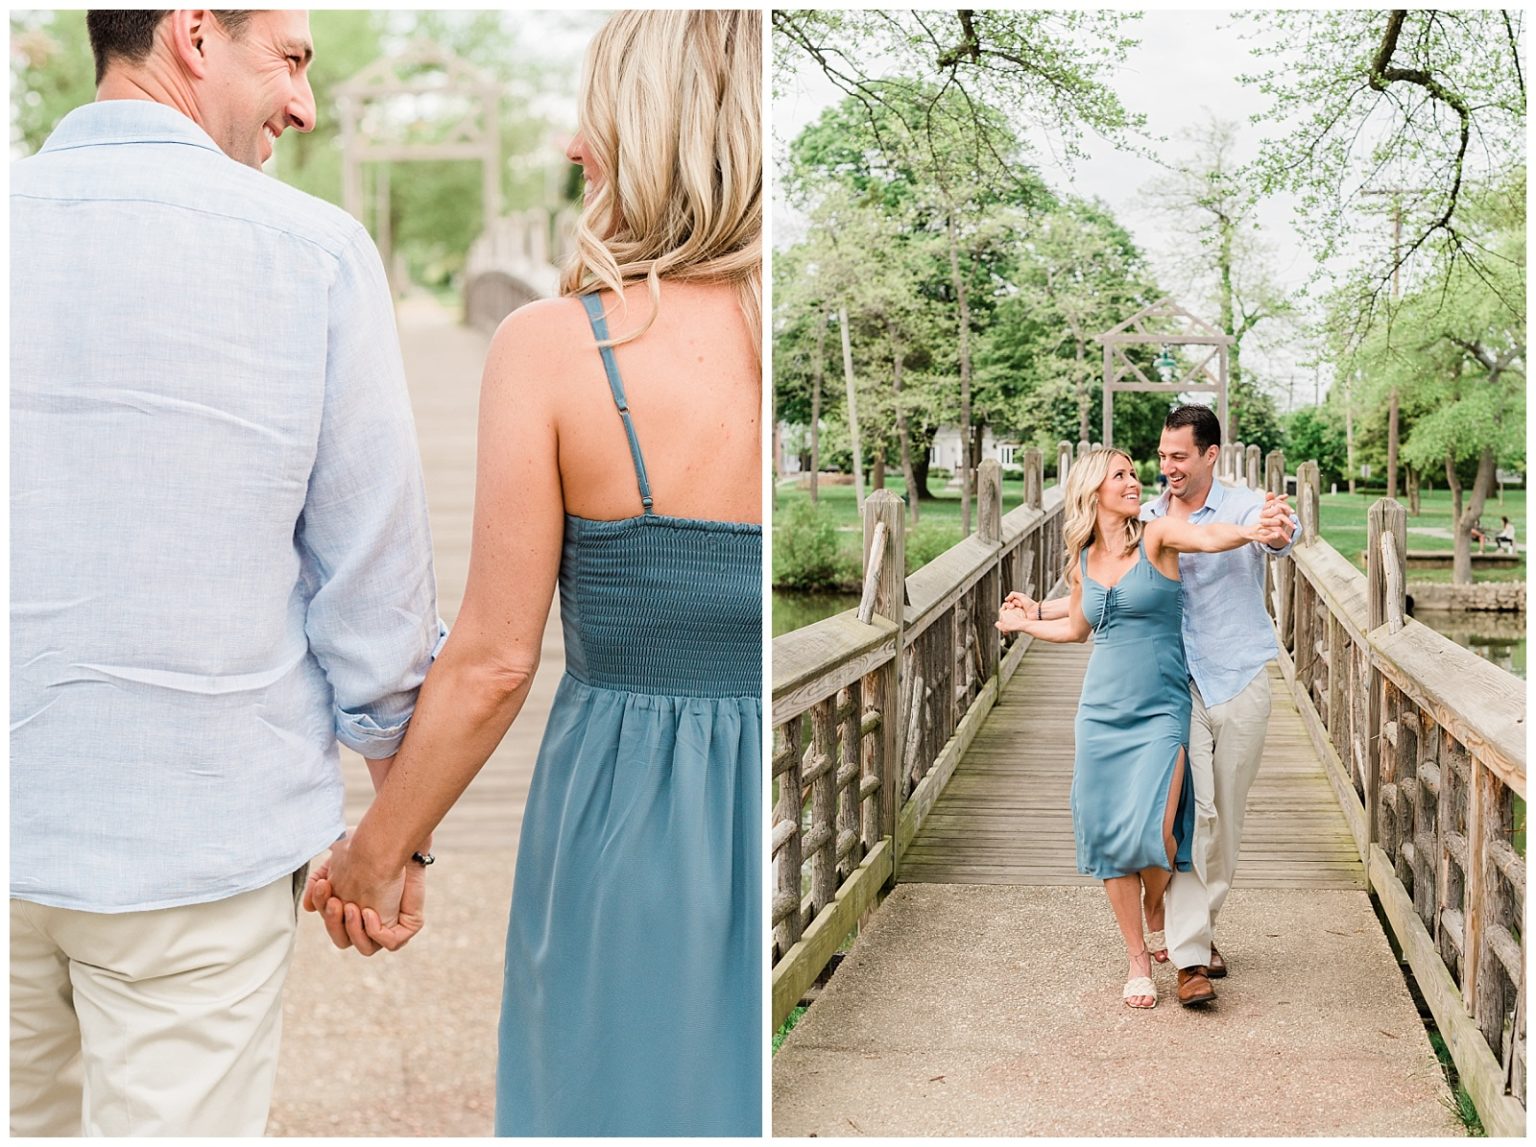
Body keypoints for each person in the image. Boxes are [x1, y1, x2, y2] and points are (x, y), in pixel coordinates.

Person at [306, 10, 762, 1137]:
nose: (571, 147)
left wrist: (381, 849)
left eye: (595, 115)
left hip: (633, 822)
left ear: (653, 132)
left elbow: (496, 661)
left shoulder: (559, 347)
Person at [10, 10, 441, 1136]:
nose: (304, 105)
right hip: (193, 840)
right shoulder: (313, 252)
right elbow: (372, 581)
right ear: (195, 34)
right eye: (291, 60)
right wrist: (395, 835)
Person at [997, 447, 1288, 1008]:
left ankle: (1159, 908)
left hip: (1162, 706)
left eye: (1135, 473)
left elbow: (1210, 537)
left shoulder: (1156, 536)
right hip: (1102, 711)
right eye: (1122, 475)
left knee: (1160, 833)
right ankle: (1137, 959)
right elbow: (1080, 627)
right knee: (1109, 837)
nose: (1135, 482)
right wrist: (1027, 621)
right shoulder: (1082, 558)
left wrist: (1255, 530)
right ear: (1093, 492)